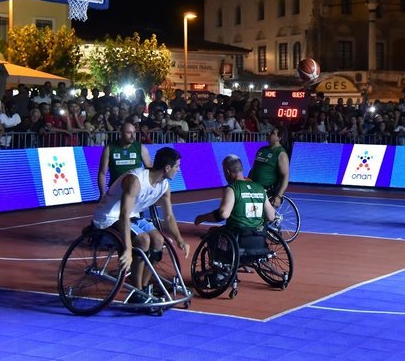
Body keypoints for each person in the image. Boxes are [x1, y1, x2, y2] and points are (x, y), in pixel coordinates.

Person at [91, 147, 190, 303]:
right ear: (167, 168)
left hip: (132, 216)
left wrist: (179, 240)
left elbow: (169, 216)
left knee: (158, 240)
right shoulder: (135, 181)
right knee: (143, 240)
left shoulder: (164, 186)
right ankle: (136, 292)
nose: (179, 170)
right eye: (177, 166)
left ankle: (144, 288)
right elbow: (123, 215)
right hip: (108, 218)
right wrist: (128, 250)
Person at [194, 154, 275, 234]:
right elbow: (271, 216)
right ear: (242, 169)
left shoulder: (232, 188)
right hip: (259, 235)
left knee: (212, 233)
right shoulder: (260, 188)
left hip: (238, 235)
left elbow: (223, 214)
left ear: (227, 172)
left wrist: (202, 218)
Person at [97, 122, 152, 199]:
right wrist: (102, 193)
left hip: (136, 191)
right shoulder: (109, 148)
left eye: (134, 133)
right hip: (115, 190)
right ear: (121, 133)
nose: (133, 136)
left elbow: (150, 170)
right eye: (129, 133)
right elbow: (102, 173)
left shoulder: (141, 147)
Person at [248, 126, 290, 207]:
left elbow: (285, 177)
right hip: (253, 187)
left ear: (279, 138)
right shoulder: (261, 150)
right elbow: (255, 168)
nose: (269, 134)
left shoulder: (281, 154)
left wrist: (278, 196)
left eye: (272, 133)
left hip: (267, 190)